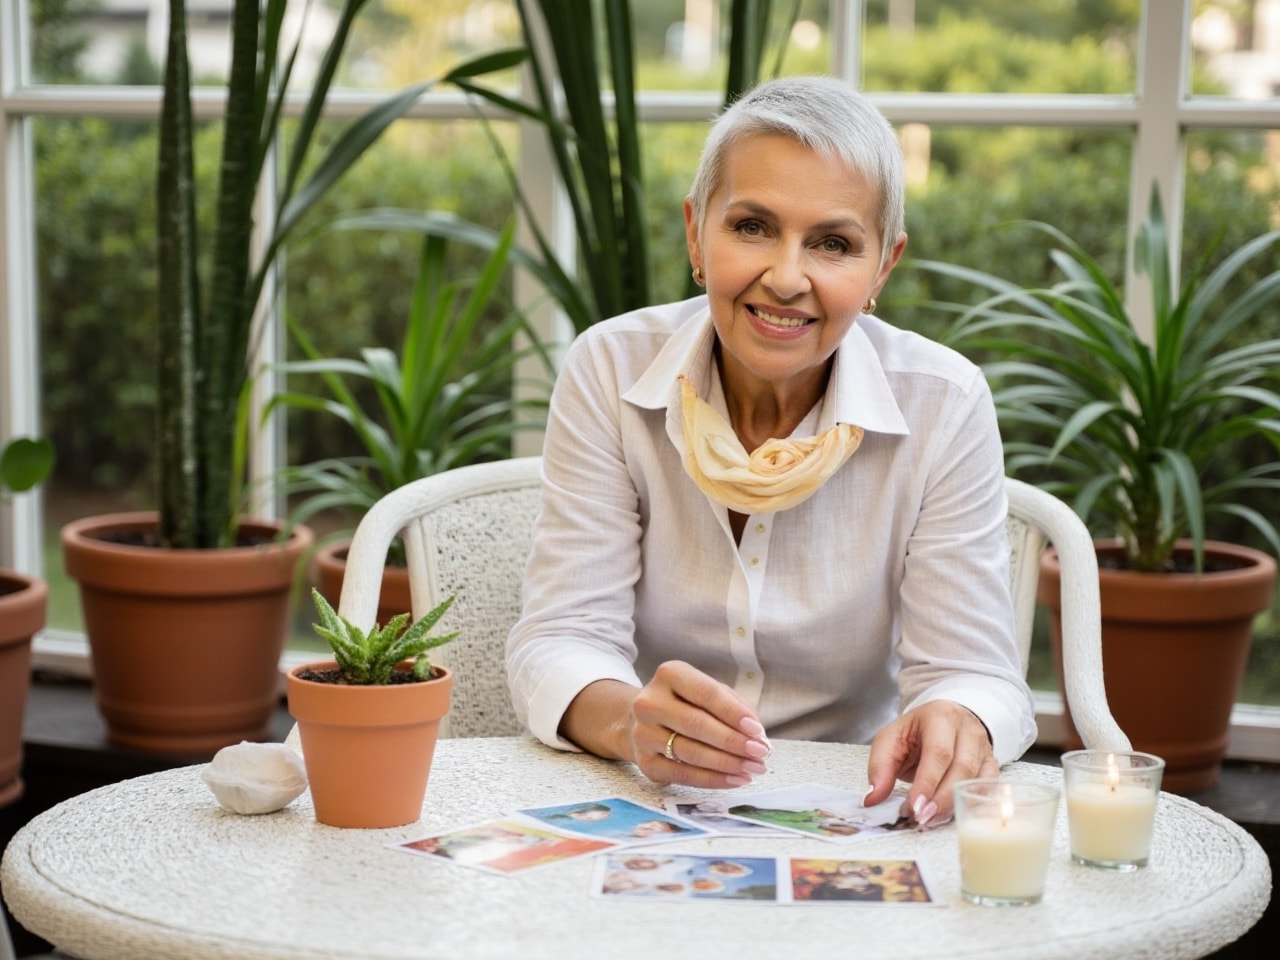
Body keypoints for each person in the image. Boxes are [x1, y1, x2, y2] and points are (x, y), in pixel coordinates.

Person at [506, 75, 1036, 827]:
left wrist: (959, 717)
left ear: (883, 265)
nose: (787, 279)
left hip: (856, 811)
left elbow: (974, 673)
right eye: (752, 226)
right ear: (696, 232)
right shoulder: (609, 370)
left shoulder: (943, 403)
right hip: (642, 803)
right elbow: (560, 639)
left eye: (833, 243)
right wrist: (632, 722)